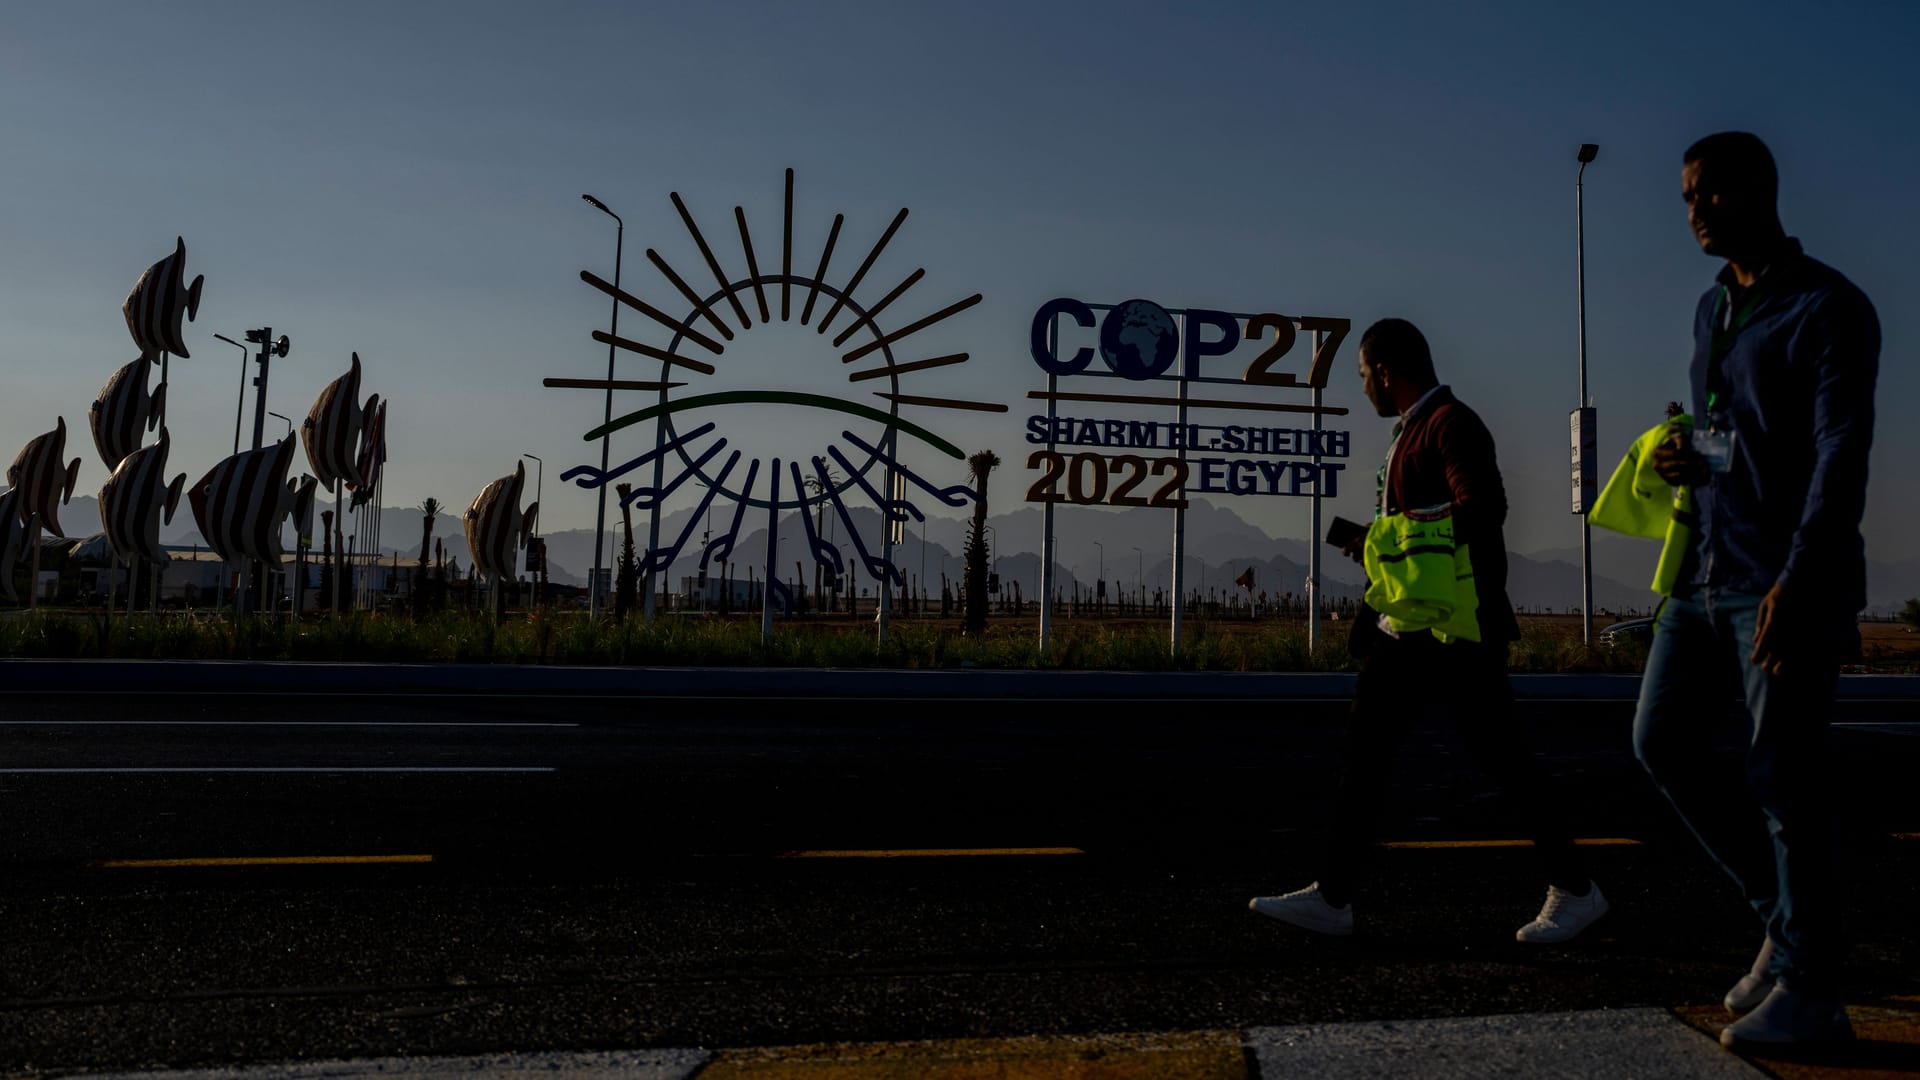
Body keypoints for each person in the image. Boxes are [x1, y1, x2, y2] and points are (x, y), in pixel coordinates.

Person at [1249, 318, 1607, 943]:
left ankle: (1576, 889)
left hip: (1456, 631)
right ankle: (1333, 897)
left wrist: (1392, 534)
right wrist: (1374, 563)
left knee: (1499, 758)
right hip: (1412, 628)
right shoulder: (1413, 430)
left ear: (1386, 371)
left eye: (1363, 376)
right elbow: (1421, 535)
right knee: (1370, 753)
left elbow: (1482, 508)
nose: (1362, 389)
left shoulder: (1450, 424)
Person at [1636, 131, 1878, 1051]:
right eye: (1686, 195)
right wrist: (1682, 454)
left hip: (1784, 580)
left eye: (1706, 193)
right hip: (1703, 572)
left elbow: (1836, 452)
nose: (1692, 209)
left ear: (1756, 191)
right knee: (1659, 741)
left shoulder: (1830, 307)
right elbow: (1732, 435)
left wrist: (1802, 579)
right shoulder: (1712, 309)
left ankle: (1816, 992)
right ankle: (1786, 928)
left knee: (1785, 778)